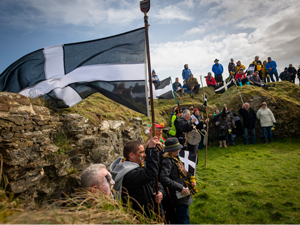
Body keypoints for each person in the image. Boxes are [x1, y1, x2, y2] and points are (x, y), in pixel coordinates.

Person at [110, 137, 165, 217]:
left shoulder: (137, 167)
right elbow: (151, 173)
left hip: (151, 214)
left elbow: (154, 181)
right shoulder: (129, 174)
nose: (144, 155)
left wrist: (160, 192)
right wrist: (151, 150)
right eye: (141, 152)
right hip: (141, 217)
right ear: (131, 155)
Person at [160, 137, 196, 224]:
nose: (177, 152)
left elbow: (183, 171)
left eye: (178, 150)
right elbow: (163, 178)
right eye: (174, 150)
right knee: (182, 217)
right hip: (178, 192)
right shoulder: (167, 161)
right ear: (169, 151)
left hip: (183, 189)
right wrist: (180, 187)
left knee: (184, 213)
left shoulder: (175, 158)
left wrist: (192, 178)